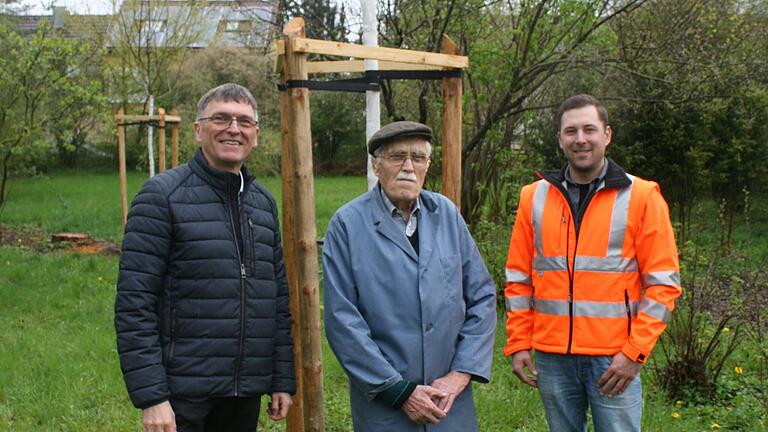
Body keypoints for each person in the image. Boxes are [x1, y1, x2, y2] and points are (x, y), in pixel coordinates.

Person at [115, 83, 295, 432]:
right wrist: (152, 397)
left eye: (244, 121)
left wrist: (281, 378)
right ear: (198, 130)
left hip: (244, 394)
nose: (233, 128)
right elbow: (134, 304)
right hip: (182, 394)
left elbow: (277, 303)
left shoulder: (262, 204)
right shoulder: (161, 197)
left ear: (255, 135)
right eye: (221, 118)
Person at [503, 94, 682, 431]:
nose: (580, 139)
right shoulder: (534, 196)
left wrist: (634, 353)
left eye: (589, 129)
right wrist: (518, 341)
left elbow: (663, 285)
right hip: (553, 356)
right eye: (571, 131)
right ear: (560, 139)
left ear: (607, 135)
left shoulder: (642, 196)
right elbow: (518, 279)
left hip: (614, 358)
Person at [322, 121, 497, 431]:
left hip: (448, 402)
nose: (408, 167)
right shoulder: (347, 225)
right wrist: (399, 391)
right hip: (386, 405)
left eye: (418, 158)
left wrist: (460, 374)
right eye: (396, 157)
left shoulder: (445, 214)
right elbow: (342, 319)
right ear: (376, 166)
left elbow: (482, 296)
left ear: (427, 166)